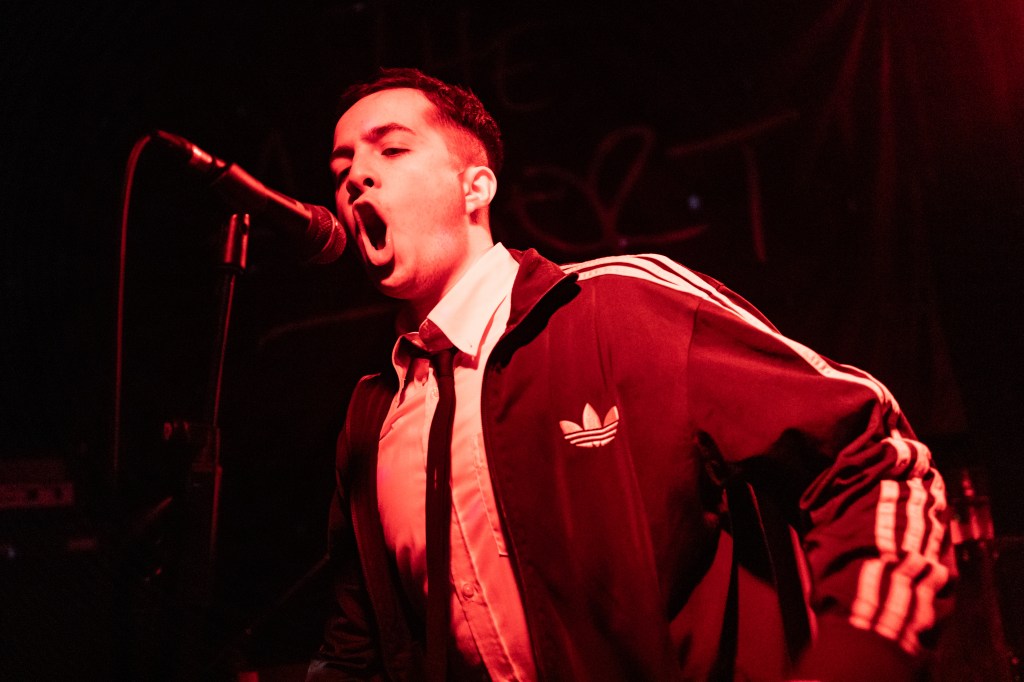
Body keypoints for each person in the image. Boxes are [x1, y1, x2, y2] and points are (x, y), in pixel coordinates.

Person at [306, 67, 954, 681]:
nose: (356, 176)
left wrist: (859, 660)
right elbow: (356, 645)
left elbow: (868, 453)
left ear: (476, 187)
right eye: (341, 168)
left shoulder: (622, 309)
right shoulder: (372, 417)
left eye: (391, 149)